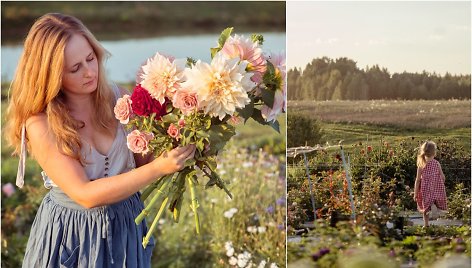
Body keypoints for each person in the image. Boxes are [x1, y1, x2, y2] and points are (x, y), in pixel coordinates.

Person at [4, 13, 195, 267]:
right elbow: (85, 194)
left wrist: (180, 128)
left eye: (90, 58)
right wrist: (159, 167)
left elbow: (142, 161)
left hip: (126, 225)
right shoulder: (41, 124)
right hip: (73, 235)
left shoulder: (119, 98)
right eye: (75, 68)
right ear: (50, 76)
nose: (89, 71)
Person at [414, 141, 447, 227]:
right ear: (434, 152)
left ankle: (426, 225)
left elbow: (417, 180)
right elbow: (443, 176)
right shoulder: (436, 163)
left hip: (425, 190)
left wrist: (415, 193)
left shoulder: (421, 165)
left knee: (425, 208)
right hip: (436, 187)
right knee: (437, 201)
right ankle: (435, 208)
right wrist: (440, 183)